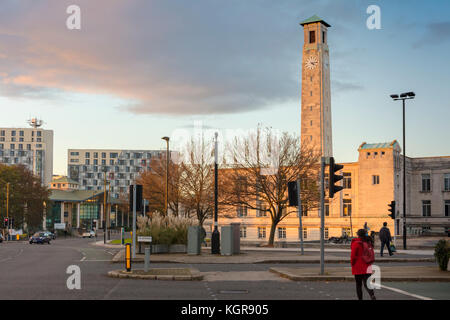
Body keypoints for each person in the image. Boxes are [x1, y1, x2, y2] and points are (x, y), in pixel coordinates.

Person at [351, 229, 376, 300]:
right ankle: (372, 295)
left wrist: (352, 264)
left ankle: (360, 298)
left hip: (358, 266)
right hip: (367, 266)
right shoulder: (368, 243)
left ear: (358, 234)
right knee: (367, 284)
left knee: (358, 285)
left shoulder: (356, 243)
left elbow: (353, 256)